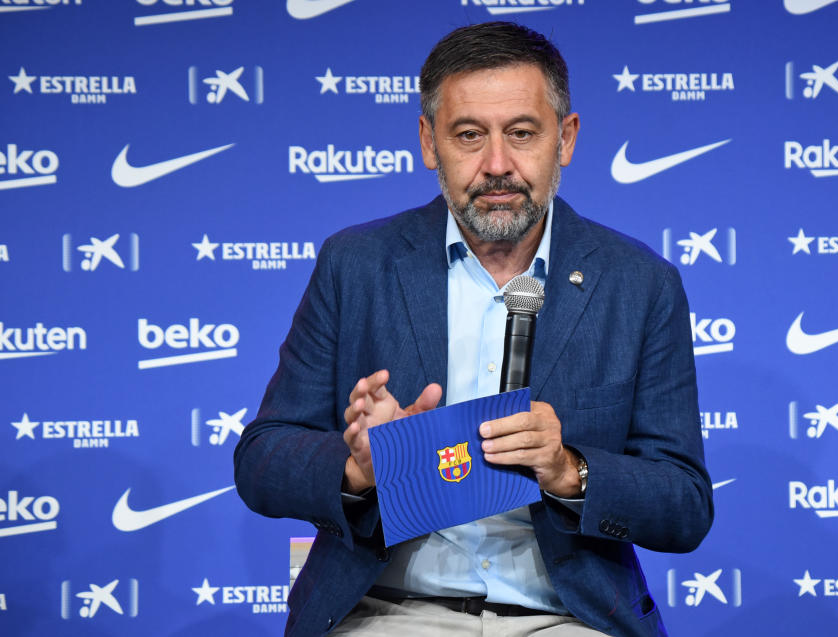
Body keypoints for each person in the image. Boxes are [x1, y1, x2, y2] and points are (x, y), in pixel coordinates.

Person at [234, 21, 712, 637]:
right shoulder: (357, 264)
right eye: (468, 136)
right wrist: (360, 468)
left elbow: (685, 506)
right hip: (386, 610)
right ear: (429, 143)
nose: (497, 165)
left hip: (568, 617)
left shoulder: (639, 282)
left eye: (521, 134)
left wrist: (569, 469)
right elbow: (262, 460)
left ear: (564, 139)